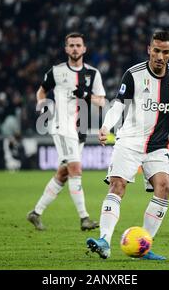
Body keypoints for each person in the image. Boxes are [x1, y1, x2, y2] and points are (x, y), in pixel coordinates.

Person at [86, 30, 169, 260]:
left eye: (164, 52)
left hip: (157, 146)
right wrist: (106, 126)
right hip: (129, 141)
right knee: (117, 185)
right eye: (156, 50)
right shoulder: (133, 74)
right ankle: (104, 241)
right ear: (149, 49)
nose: (159, 55)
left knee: (165, 185)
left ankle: (143, 246)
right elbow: (119, 104)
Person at [27, 32, 106, 231]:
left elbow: (101, 101)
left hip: (80, 129)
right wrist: (43, 106)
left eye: (78, 45)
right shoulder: (56, 71)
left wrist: (86, 95)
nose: (75, 49)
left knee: (63, 174)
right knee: (76, 169)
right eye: (71, 45)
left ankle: (36, 213)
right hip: (62, 126)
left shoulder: (93, 74)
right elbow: (41, 91)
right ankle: (84, 218)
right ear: (66, 49)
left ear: (84, 48)